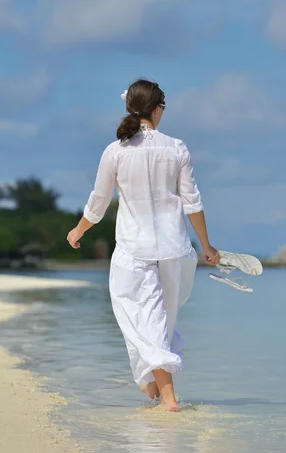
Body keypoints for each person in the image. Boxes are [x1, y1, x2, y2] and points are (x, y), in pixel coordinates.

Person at [67, 79, 220, 411]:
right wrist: (207, 247)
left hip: (134, 250)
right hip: (175, 250)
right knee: (160, 321)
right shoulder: (177, 148)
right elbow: (192, 203)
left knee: (141, 319)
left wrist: (78, 231)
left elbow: (98, 202)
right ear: (157, 109)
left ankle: (168, 399)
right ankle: (153, 386)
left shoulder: (116, 151)